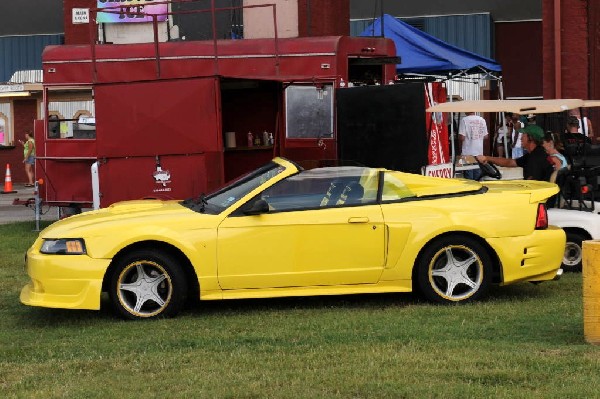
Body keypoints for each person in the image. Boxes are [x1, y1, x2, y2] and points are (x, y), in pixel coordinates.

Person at [477, 124, 553, 181]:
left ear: (531, 138)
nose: (521, 138)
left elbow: (531, 181)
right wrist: (487, 158)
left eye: (523, 135)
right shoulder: (534, 154)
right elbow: (510, 162)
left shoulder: (536, 158)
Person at [458, 112, 488, 180]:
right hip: (479, 153)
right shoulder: (482, 120)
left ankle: (471, 190)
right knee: (478, 176)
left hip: (468, 153)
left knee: (469, 178)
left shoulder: (464, 120)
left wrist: (458, 136)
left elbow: (462, 137)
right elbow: (486, 136)